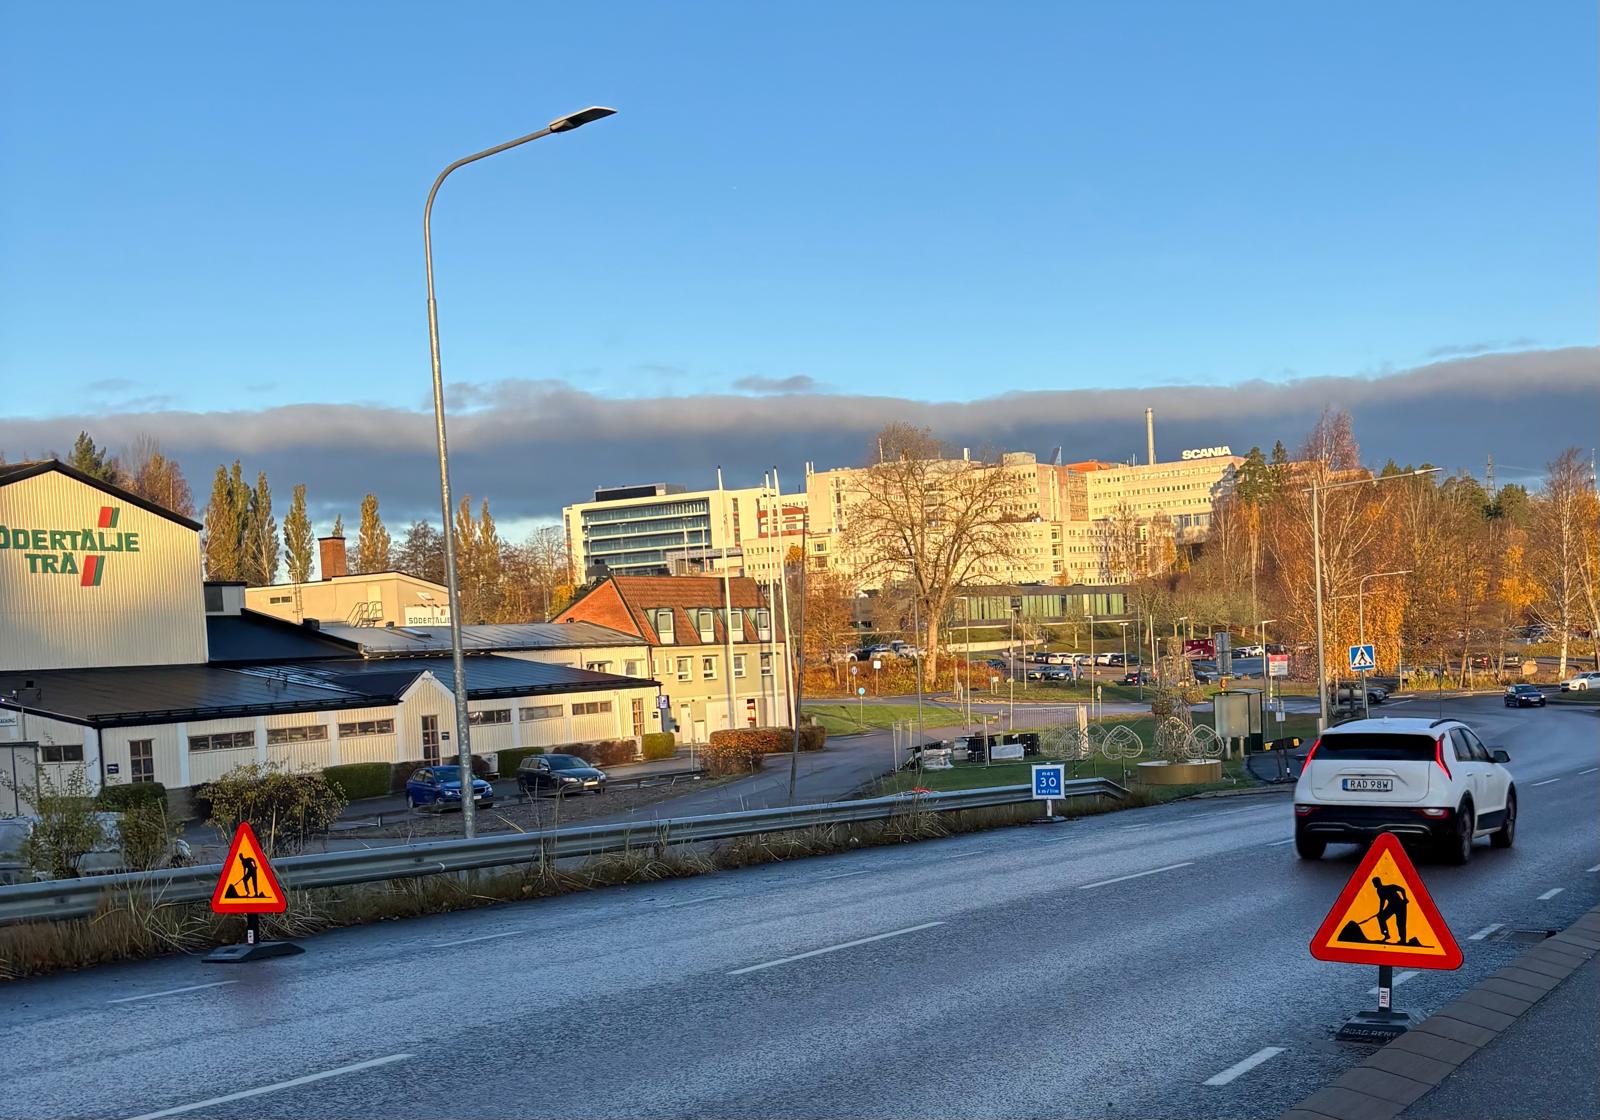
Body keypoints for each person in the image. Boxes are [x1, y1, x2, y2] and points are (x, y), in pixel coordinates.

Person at [1373, 876, 1409, 944]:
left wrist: (1405, 898)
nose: (1374, 885)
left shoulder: (1391, 886)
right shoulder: (1379, 891)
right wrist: (1380, 911)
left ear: (1379, 882)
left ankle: (1403, 940)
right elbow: (1382, 900)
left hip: (1400, 905)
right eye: (1373, 883)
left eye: (1374, 883)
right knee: (1381, 917)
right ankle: (1386, 934)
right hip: (1391, 906)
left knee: (1400, 923)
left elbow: (1402, 889)